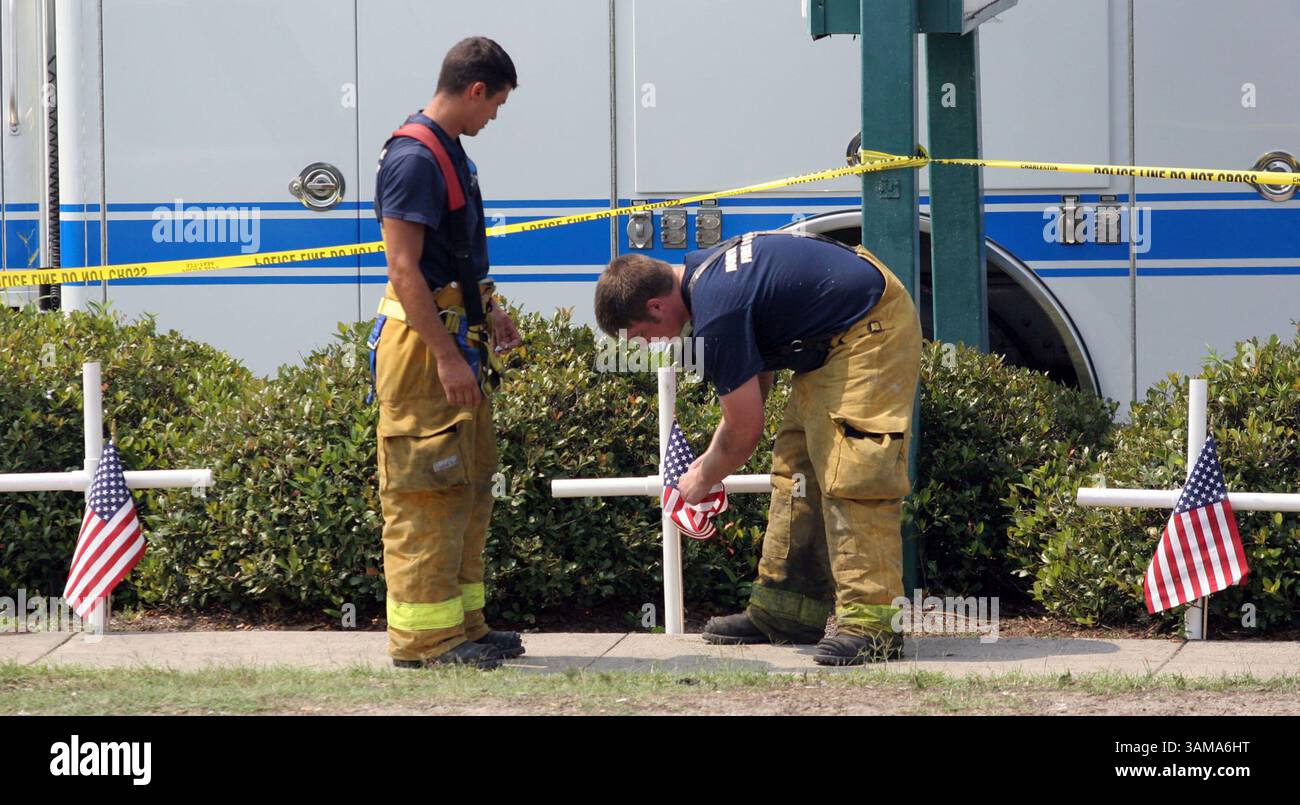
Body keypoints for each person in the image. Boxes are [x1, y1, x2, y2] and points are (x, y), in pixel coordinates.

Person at [593, 230, 922, 665]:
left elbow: (744, 431)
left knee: (853, 472)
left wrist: (700, 477)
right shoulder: (702, 273)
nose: (649, 348)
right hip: (833, 338)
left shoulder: (715, 314)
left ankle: (874, 627)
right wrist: (719, 451)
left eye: (640, 337)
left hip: (869, 329)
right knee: (797, 472)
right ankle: (785, 614)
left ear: (656, 307)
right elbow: (755, 377)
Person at [370, 36, 524, 669]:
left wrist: (490, 312)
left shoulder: (451, 154)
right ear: (475, 89)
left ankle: (463, 627)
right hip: (425, 348)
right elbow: (405, 272)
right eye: (496, 104)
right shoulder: (413, 159)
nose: (495, 117)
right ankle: (425, 642)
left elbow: (450, 261)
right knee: (426, 488)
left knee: (465, 484)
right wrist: (447, 356)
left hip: (457, 335)